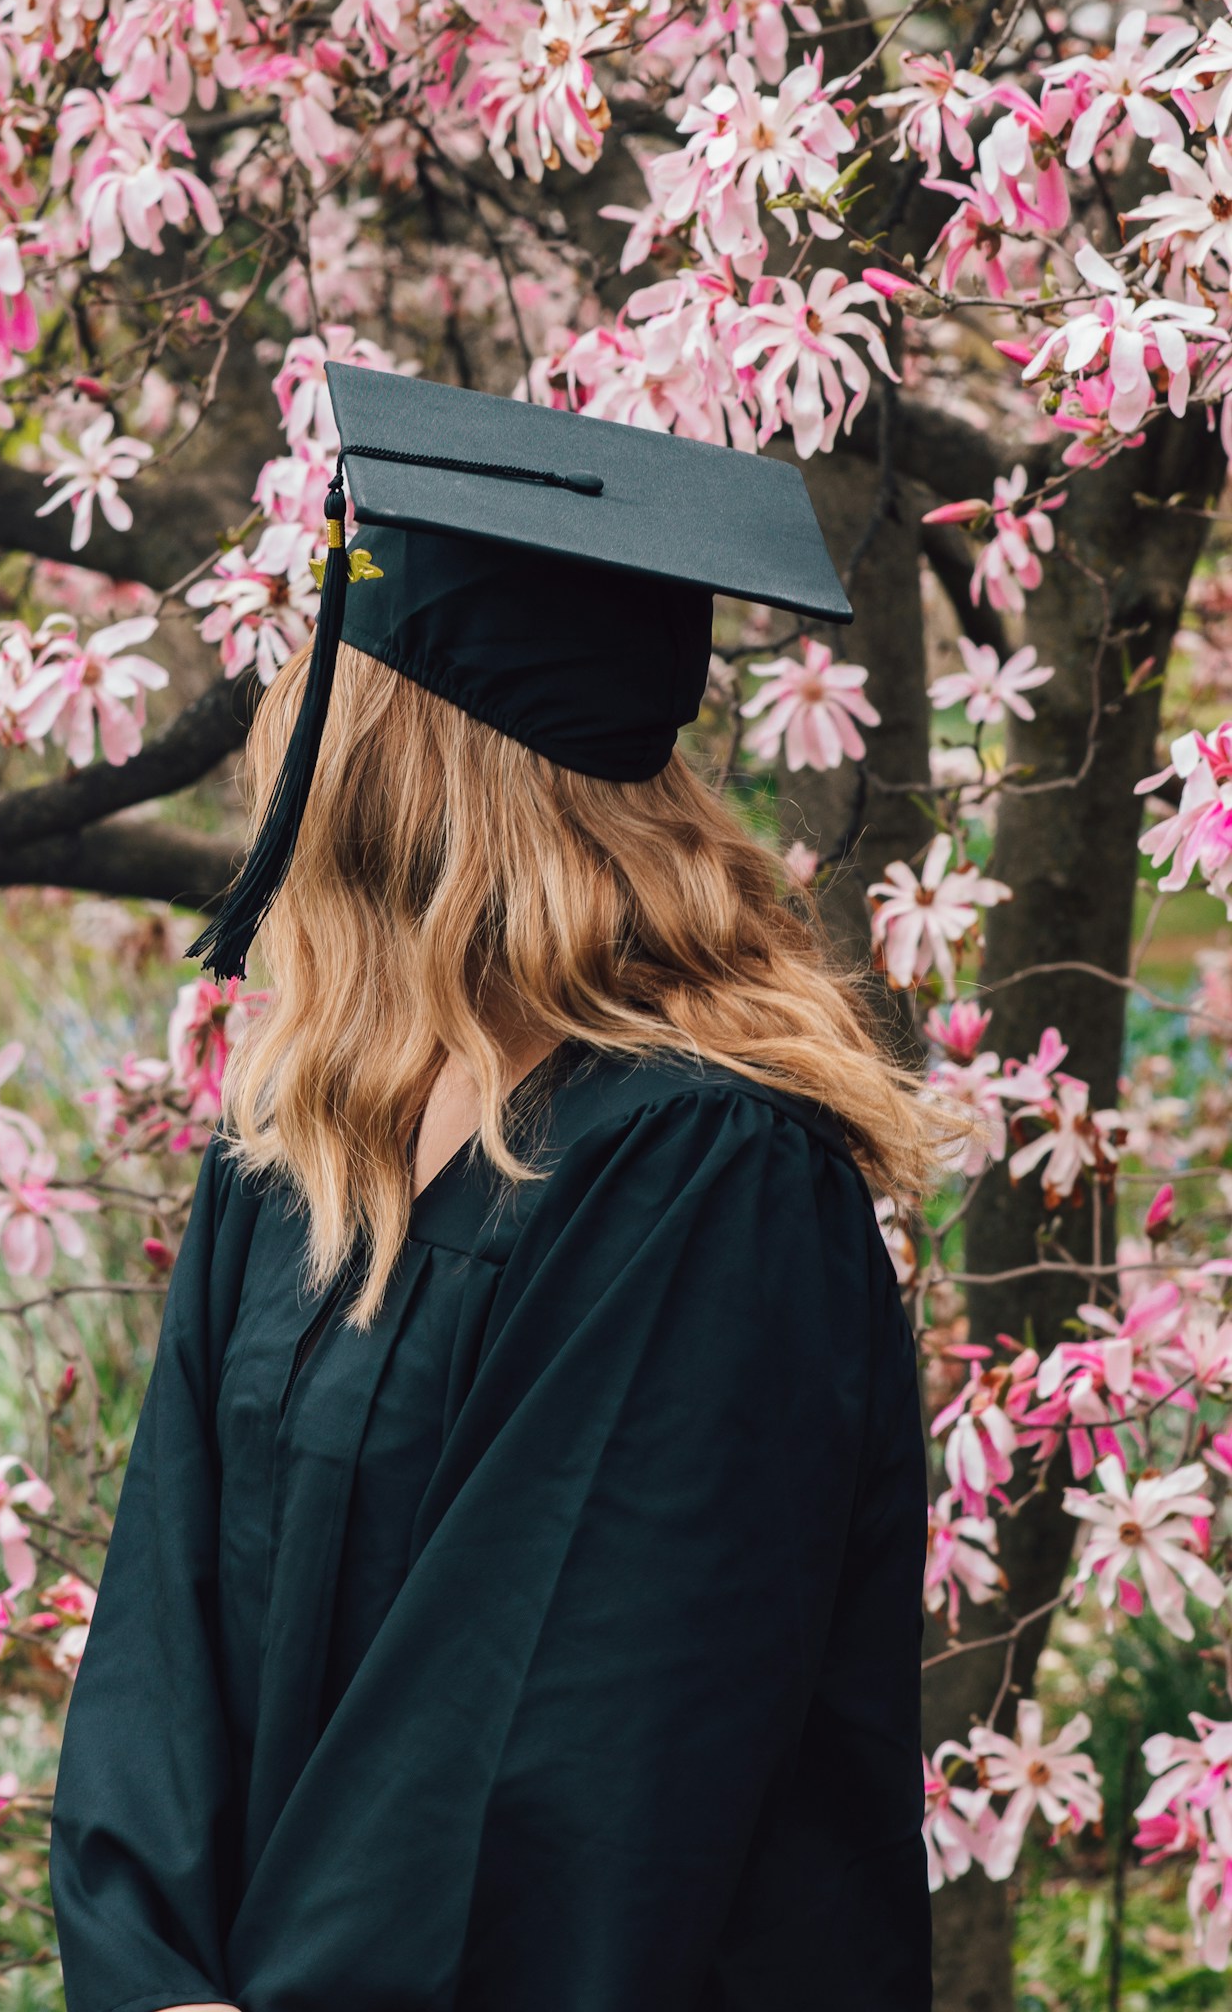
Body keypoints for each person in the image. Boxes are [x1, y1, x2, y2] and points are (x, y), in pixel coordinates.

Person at [50, 367, 944, 2012]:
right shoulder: (301, 1147)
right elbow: (155, 1650)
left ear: (398, 758)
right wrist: (149, 1972)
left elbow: (559, 1745)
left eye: (321, 692)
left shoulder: (708, 1176)